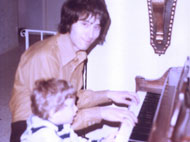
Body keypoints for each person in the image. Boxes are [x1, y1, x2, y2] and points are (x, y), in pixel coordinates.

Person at [9, 0, 139, 141]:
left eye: (96, 27)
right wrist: (101, 113)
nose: (91, 34)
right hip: (32, 130)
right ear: (69, 22)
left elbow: (74, 97)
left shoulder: (78, 54)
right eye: (85, 24)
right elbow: (52, 114)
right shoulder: (44, 57)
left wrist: (109, 95)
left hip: (56, 125)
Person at [21, 78, 117, 142]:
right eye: (71, 106)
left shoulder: (62, 125)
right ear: (53, 112)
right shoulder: (45, 136)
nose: (76, 108)